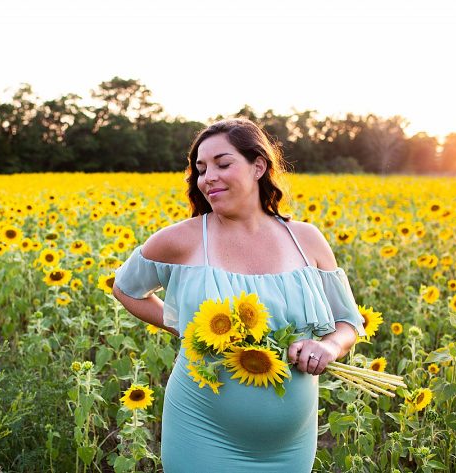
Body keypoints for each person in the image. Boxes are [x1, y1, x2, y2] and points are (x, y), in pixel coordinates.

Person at [112, 118, 365, 472]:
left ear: (258, 166)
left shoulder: (306, 239)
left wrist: (328, 347)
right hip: (201, 432)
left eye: (222, 163)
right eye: (200, 169)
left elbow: (348, 321)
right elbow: (125, 289)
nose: (207, 177)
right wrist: (186, 326)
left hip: (290, 446)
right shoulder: (180, 240)